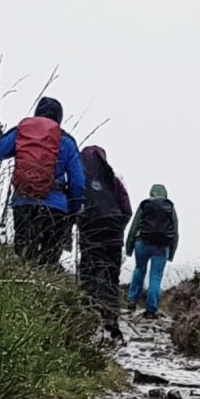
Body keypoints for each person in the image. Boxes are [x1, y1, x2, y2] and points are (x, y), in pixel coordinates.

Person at [0, 96, 85, 267]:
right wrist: (72, 209)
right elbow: (78, 182)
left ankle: (21, 291)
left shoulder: (21, 132)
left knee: (24, 259)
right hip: (56, 208)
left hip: (24, 202)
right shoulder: (66, 141)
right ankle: (42, 289)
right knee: (47, 263)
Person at [76, 145, 132, 339]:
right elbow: (127, 210)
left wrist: (82, 227)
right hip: (113, 241)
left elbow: (75, 207)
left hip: (90, 240)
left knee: (88, 280)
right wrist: (118, 229)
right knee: (110, 281)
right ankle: (111, 324)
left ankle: (88, 322)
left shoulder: (80, 180)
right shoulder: (114, 180)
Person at [125, 183, 178, 315]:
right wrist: (171, 253)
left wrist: (129, 247)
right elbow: (175, 232)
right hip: (161, 247)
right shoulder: (169, 207)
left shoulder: (145, 205)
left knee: (139, 270)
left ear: (151, 193)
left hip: (141, 243)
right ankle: (151, 310)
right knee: (155, 276)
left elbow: (134, 226)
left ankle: (131, 301)